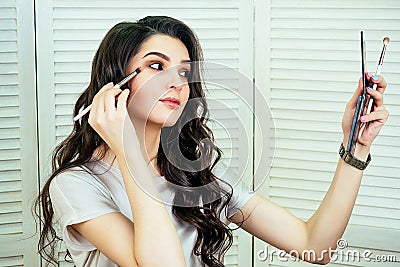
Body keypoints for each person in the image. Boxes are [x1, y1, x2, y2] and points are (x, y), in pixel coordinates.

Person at [35, 16, 389, 267]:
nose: (176, 81)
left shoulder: (197, 179)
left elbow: (315, 247)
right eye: (157, 66)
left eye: (185, 71)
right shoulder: (76, 185)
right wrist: (127, 149)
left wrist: (355, 148)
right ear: (115, 81)